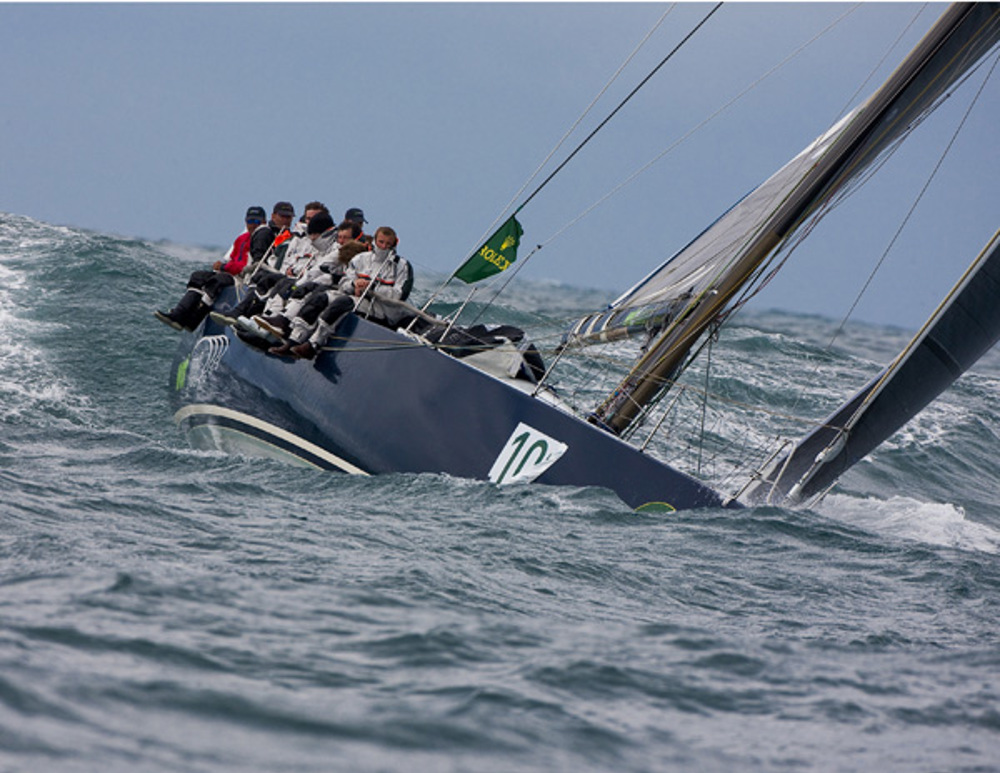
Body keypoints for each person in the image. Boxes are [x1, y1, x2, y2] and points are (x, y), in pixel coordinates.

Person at [269, 226, 413, 359]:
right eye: (381, 242)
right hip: (355, 296)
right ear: (375, 241)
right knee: (321, 298)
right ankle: (293, 341)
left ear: (395, 244)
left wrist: (372, 287)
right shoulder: (360, 259)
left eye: (389, 244)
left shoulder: (402, 266)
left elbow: (400, 295)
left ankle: (313, 344)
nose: (384, 247)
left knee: (342, 303)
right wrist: (354, 284)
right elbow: (344, 283)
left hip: (381, 308)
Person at [212, 202, 330, 325]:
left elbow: (321, 266)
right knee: (263, 277)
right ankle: (244, 316)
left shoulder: (326, 242)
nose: (311, 222)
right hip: (286, 275)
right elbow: (284, 259)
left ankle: (258, 318)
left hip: (305, 281)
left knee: (276, 281)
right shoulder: (296, 238)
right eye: (308, 219)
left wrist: (295, 271)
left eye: (288, 217)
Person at [154, 205, 268, 331]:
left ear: (263, 222)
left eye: (256, 222)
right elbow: (232, 259)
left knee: (218, 280)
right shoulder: (241, 239)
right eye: (249, 221)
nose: (252, 225)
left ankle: (193, 321)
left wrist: (224, 267)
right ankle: (179, 315)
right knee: (198, 276)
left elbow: (243, 267)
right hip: (230, 273)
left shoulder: (261, 238)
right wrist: (221, 266)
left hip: (241, 279)